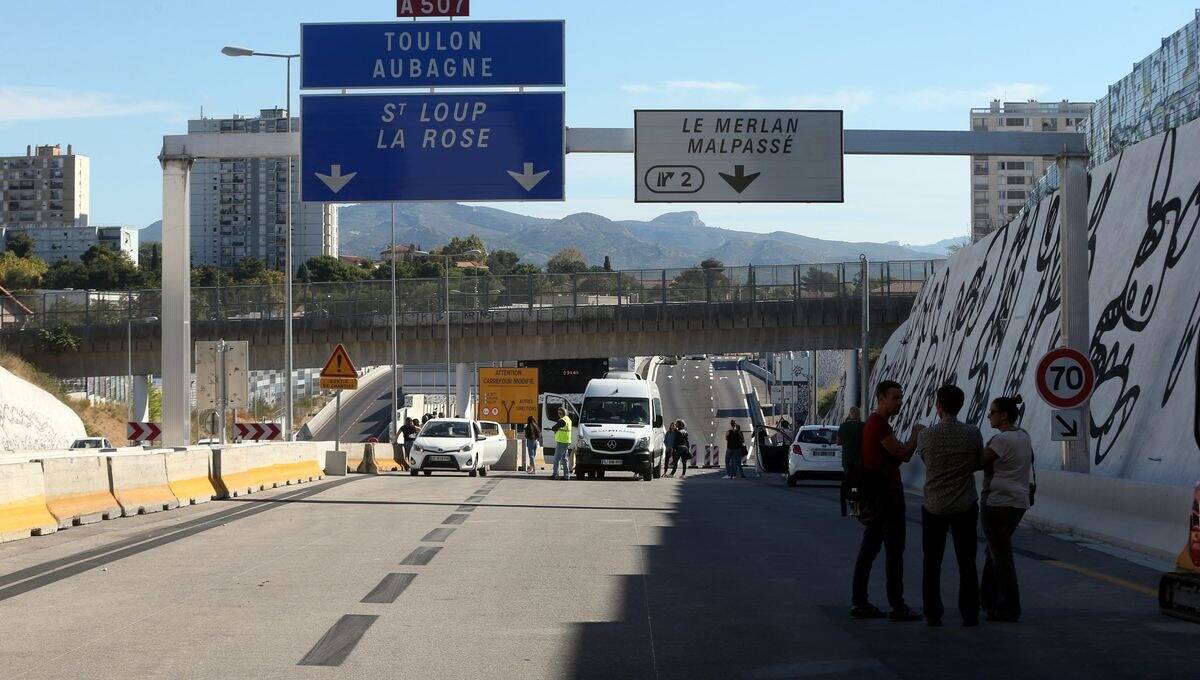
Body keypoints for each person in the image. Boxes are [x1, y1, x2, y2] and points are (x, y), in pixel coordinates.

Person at [851, 380, 925, 622]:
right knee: (893, 552)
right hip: (886, 496)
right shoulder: (879, 425)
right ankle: (897, 605)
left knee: (870, 550)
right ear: (881, 399)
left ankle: (860, 602)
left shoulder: (877, 424)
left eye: (901, 398)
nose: (900, 402)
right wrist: (915, 436)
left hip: (877, 494)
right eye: (895, 398)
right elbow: (902, 454)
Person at [917, 384, 983, 627]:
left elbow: (926, 460)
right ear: (961, 405)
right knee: (967, 562)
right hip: (965, 504)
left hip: (934, 505)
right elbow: (977, 462)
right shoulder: (973, 433)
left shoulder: (926, 436)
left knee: (932, 563)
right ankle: (970, 613)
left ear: (939, 407)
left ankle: (933, 613)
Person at [979, 395, 1033, 623]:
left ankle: (1008, 607)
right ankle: (989, 603)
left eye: (993, 412)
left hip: (997, 501)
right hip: (1018, 502)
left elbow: (980, 461)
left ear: (1004, 415)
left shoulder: (1000, 441)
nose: (989, 416)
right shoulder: (1024, 436)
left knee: (1000, 556)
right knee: (994, 553)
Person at [838, 407, 865, 516]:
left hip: (847, 460)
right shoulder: (863, 426)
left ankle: (852, 506)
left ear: (849, 415)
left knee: (850, 484)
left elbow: (838, 442)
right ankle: (858, 506)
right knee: (858, 483)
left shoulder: (843, 426)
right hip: (860, 460)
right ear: (859, 415)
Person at [549, 407, 573, 480]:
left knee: (557, 458)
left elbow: (554, 427)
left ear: (561, 413)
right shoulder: (568, 419)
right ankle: (566, 475)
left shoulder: (562, 420)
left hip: (561, 441)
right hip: (566, 441)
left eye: (559, 413)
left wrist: (553, 429)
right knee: (564, 459)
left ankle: (555, 475)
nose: (558, 414)